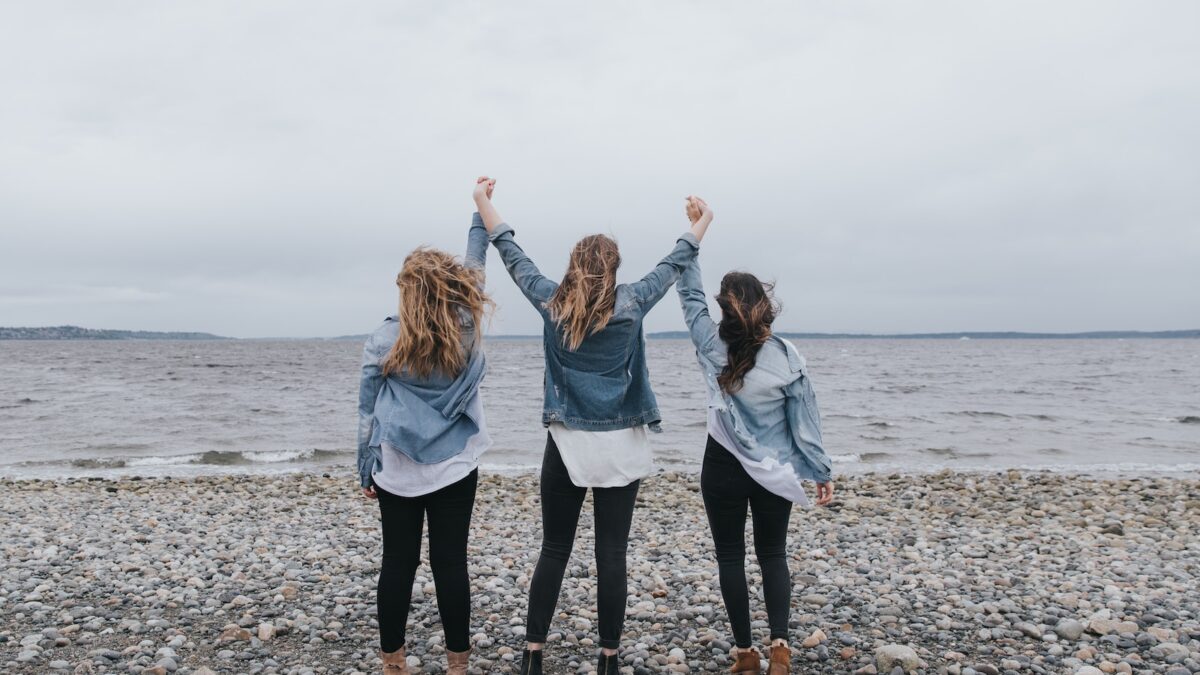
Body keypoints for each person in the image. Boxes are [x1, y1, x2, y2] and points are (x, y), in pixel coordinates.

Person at [473, 178, 711, 675]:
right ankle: (607, 658)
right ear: (615, 269)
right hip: (621, 445)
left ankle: (534, 654)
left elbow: (513, 254)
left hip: (565, 444)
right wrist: (699, 222)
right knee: (612, 553)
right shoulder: (633, 302)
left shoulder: (551, 301)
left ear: (573, 267)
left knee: (555, 549)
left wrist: (483, 202)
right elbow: (675, 264)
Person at [676, 196, 835, 675]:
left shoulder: (710, 343)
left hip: (721, 466)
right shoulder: (787, 355)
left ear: (724, 308)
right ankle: (781, 648)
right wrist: (821, 470)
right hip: (773, 470)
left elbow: (687, 293)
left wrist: (697, 231)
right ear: (764, 305)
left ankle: (745, 653)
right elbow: (805, 422)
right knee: (772, 554)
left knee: (730, 555)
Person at [356, 177, 498, 674]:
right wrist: (480, 211)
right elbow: (476, 263)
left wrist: (364, 464)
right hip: (456, 463)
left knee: (398, 562)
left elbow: (367, 407)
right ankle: (457, 664)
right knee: (450, 562)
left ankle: (393, 661)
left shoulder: (386, 337)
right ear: (447, 288)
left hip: (396, 464)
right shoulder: (464, 325)